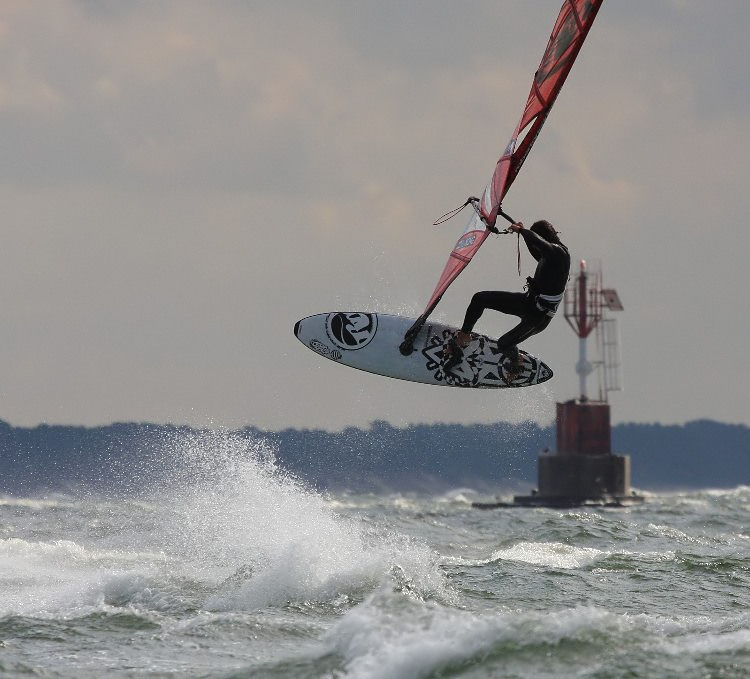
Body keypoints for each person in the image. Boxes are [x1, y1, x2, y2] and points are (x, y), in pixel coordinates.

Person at [443, 219, 570, 379]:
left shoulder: (559, 253)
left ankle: (517, 362)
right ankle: (464, 335)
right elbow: (535, 247)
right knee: (480, 298)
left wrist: (522, 232)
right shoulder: (550, 255)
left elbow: (538, 243)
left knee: (504, 344)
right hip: (528, 302)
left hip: (538, 316)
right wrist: (523, 232)